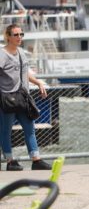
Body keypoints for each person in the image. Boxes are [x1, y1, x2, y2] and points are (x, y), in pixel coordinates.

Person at [0, 24, 52, 171]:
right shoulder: (2, 54)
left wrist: (38, 82)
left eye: (21, 34)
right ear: (8, 36)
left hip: (23, 98)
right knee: (5, 131)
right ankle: (10, 161)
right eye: (16, 35)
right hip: (7, 99)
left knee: (30, 128)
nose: (19, 37)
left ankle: (36, 160)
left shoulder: (21, 53)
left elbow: (26, 73)